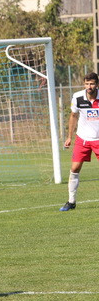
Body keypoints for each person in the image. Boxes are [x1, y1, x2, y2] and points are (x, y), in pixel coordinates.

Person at [61, 72, 99, 211]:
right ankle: (71, 202)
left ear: (97, 84)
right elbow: (73, 116)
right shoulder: (77, 97)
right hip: (82, 138)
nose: (89, 86)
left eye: (92, 84)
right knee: (75, 168)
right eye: (87, 84)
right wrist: (69, 137)